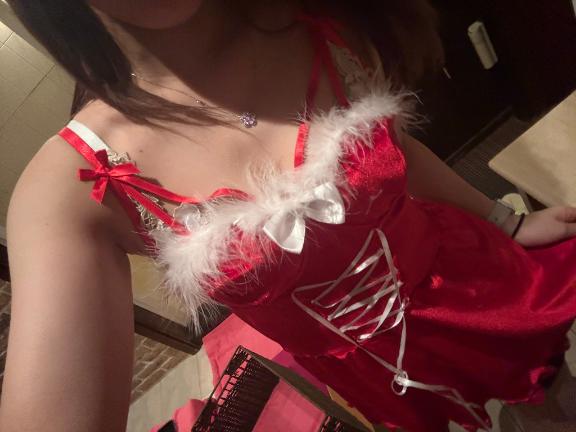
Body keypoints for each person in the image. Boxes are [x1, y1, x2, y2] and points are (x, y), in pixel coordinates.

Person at [2, 0, 576, 431]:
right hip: (373, 372)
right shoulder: (75, 187)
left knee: (552, 400)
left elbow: (392, 149)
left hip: (476, 284)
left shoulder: (319, 22)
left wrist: (506, 220)